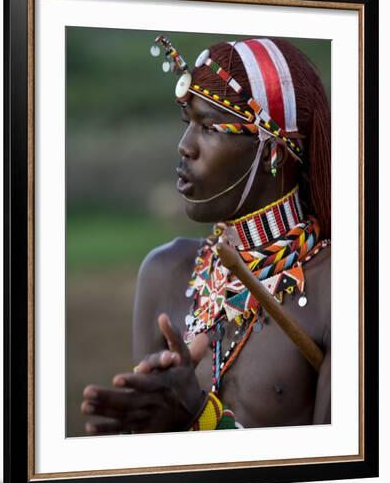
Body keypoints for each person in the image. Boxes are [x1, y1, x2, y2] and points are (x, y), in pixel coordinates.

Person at [81, 35, 331, 434]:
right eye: (188, 124)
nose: (184, 147)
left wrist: (200, 418)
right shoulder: (164, 272)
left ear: (272, 152)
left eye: (210, 128)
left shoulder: (340, 289)